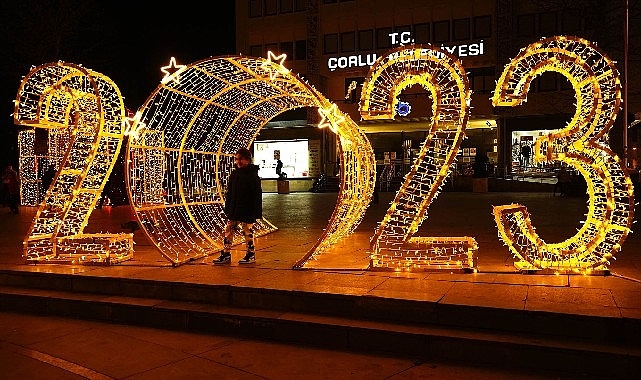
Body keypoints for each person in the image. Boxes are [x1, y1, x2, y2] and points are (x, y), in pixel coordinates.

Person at [214, 148, 263, 265]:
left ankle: (250, 254)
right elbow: (230, 193)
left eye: (240, 159)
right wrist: (228, 208)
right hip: (234, 209)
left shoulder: (252, 175)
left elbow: (257, 195)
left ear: (247, 160)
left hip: (247, 209)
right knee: (228, 231)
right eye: (236, 159)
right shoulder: (235, 174)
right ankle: (226, 254)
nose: (238, 162)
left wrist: (256, 212)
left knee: (247, 232)